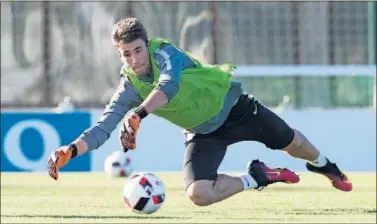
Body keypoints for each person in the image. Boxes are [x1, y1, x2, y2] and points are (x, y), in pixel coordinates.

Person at [48, 17, 352, 207]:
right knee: (198, 194)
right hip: (203, 132)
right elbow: (103, 128)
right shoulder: (128, 86)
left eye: (138, 50)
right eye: (126, 54)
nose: (135, 58)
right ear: (120, 55)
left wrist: (139, 115)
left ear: (146, 44)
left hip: (236, 109)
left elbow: (168, 85)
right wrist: (71, 150)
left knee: (294, 144)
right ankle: (257, 177)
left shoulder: (164, 52)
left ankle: (324, 164)